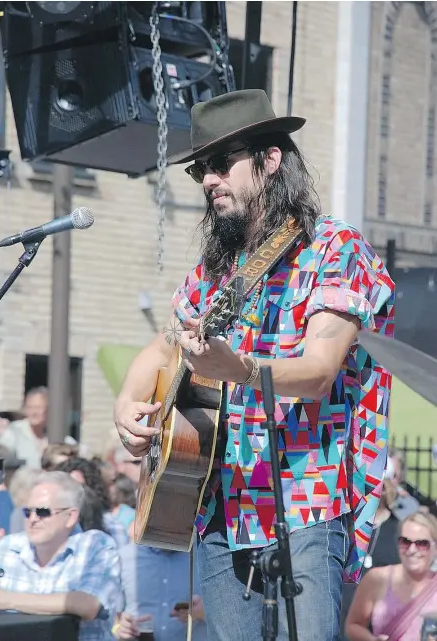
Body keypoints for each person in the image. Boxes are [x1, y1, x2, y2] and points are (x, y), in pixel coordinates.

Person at [113, 89, 396, 641]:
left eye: (222, 164)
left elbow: (318, 371)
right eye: (200, 170)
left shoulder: (334, 248)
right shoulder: (217, 269)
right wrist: (126, 402)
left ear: (270, 160)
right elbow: (163, 347)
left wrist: (238, 367)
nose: (209, 180)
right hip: (219, 500)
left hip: (305, 501)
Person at [0, 471, 121, 641]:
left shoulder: (95, 546)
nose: (32, 519)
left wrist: (8, 599)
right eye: (27, 512)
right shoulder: (7, 547)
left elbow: (87, 605)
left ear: (70, 517)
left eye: (42, 512)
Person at [345, 511, 437, 640]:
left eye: (422, 544)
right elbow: (353, 625)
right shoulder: (377, 578)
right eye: (405, 541)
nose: (412, 550)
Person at [115, 543, 207, 641]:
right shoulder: (124, 557)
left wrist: (205, 612)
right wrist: (119, 628)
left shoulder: (208, 554)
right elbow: (113, 619)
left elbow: (224, 616)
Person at [56, 457, 129, 547]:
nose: (72, 494)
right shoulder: (51, 526)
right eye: (67, 487)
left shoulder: (113, 527)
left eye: (79, 487)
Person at [0, 387, 49, 468]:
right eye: (30, 407)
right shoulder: (13, 431)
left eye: (38, 407)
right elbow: (4, 454)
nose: (34, 412)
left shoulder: (54, 432)